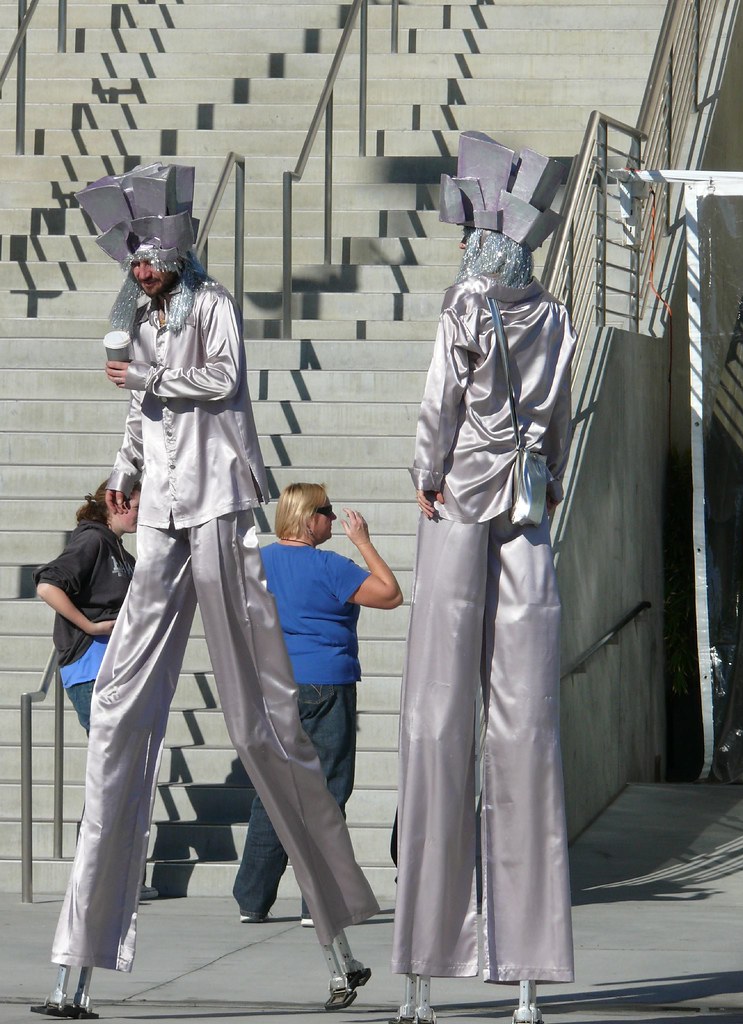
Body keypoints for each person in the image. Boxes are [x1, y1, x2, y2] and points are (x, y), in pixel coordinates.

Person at [36, 163, 378, 1018]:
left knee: (263, 716)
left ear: (172, 254)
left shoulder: (211, 302)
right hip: (161, 514)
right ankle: (76, 964)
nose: (138, 270)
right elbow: (139, 415)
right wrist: (123, 468)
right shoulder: (141, 315)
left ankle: (337, 935)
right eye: (131, 260)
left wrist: (148, 384)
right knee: (117, 711)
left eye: (146, 258)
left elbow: (223, 379)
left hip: (220, 504)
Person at [390, 132, 577, 1022]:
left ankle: (427, 965)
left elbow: (441, 403)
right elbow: (563, 418)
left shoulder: (468, 303)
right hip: (528, 502)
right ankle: (529, 972)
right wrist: (549, 479)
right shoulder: (553, 313)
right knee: (524, 724)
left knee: (437, 711)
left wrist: (425, 475)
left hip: (465, 495)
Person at [233, 483, 402, 926]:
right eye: (326, 512)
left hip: (273, 684)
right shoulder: (330, 566)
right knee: (326, 792)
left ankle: (253, 898)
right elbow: (390, 594)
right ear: (309, 519)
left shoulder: (257, 563)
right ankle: (320, 902)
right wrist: (363, 541)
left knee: (274, 790)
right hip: (327, 682)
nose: (332, 520)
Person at [33, 481, 139, 734]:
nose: (142, 515)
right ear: (116, 506)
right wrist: (90, 627)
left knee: (123, 757)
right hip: (91, 668)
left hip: (115, 666)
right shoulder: (93, 539)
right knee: (111, 757)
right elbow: (47, 586)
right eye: (138, 507)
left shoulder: (122, 553)